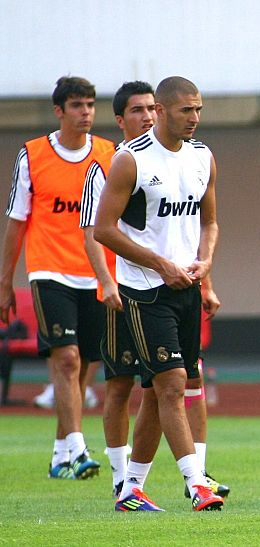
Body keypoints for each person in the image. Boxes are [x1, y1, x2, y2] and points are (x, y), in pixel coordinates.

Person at [83, 81, 229, 507]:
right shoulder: (130, 161)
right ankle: (197, 483)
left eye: (199, 109)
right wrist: (160, 265)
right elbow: (103, 229)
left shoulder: (203, 157)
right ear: (162, 112)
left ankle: (131, 488)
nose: (195, 117)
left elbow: (210, 222)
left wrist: (206, 263)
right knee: (171, 384)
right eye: (186, 110)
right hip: (144, 290)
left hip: (186, 287)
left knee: (156, 391)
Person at [3, 76, 113, 483]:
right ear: (59, 111)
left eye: (90, 105)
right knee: (65, 360)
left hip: (95, 273)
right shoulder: (32, 155)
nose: (86, 112)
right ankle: (81, 450)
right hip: (50, 271)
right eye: (77, 105)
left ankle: (59, 454)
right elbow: (16, 224)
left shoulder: (108, 153)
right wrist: (5, 282)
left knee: (84, 365)